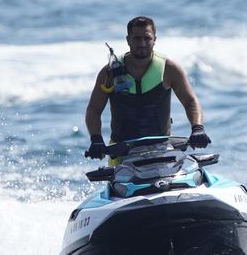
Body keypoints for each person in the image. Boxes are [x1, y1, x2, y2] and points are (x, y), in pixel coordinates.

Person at [85, 16, 211, 159]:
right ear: (128, 40)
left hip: (162, 149)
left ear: (155, 39)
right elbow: (93, 110)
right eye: (137, 38)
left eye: (147, 38)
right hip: (121, 153)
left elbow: (191, 101)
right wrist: (96, 139)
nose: (142, 43)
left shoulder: (169, 69)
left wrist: (197, 128)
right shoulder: (109, 73)